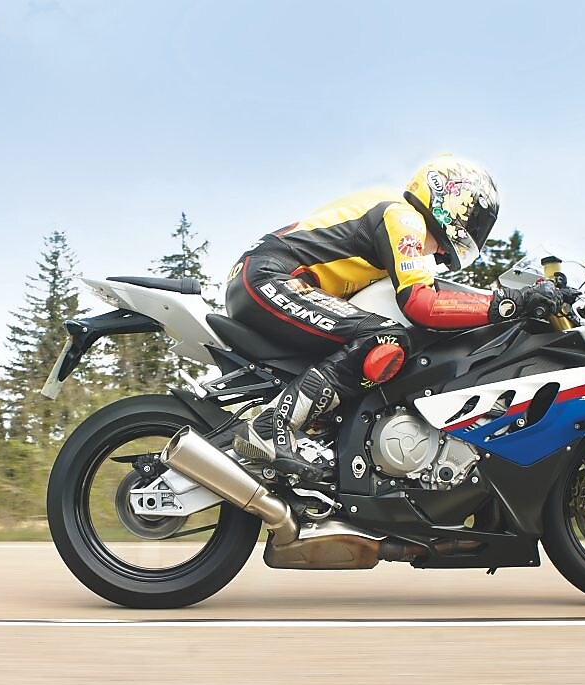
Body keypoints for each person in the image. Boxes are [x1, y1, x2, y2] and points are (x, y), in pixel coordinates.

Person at [224, 155, 564, 468]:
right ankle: (270, 426)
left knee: (373, 345)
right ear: (451, 200)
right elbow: (423, 304)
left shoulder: (397, 222)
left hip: (272, 279)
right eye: (473, 218)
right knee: (384, 337)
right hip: (271, 276)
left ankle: (321, 437)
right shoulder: (402, 216)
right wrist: (510, 303)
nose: (470, 231)